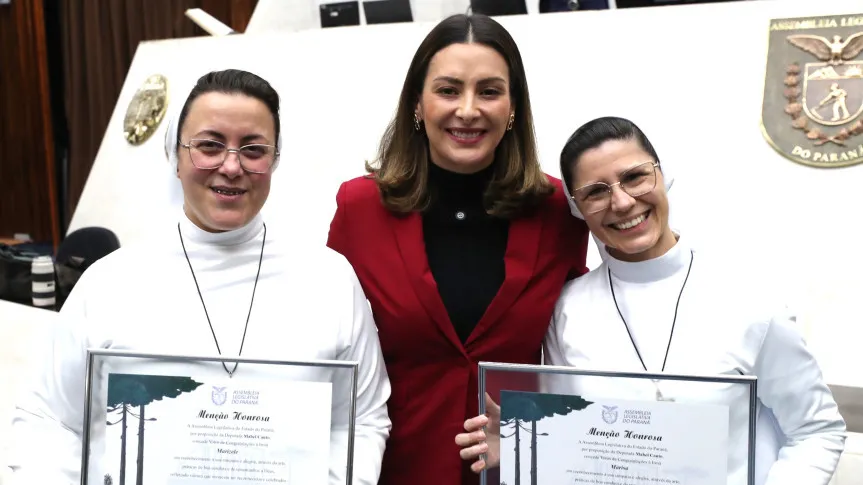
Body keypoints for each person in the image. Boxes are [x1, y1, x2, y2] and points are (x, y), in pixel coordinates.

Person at [7, 69, 391, 485]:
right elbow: (49, 420)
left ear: (275, 160)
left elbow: (362, 419)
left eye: (253, 149)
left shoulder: (329, 282)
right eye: (209, 146)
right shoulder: (110, 283)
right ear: (175, 156)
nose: (231, 166)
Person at [455, 116, 846, 485]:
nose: (622, 203)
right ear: (576, 209)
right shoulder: (567, 310)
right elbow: (578, 438)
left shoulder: (749, 300)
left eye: (635, 177)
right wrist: (519, 441)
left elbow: (816, 430)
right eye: (596, 192)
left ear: (661, 175)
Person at [326, 13, 590, 485]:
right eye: (449, 90)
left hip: (521, 468)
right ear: (417, 104)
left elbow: (581, 357)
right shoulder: (359, 207)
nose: (468, 110)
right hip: (395, 470)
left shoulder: (558, 212)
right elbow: (335, 351)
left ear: (513, 108)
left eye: (489, 91)